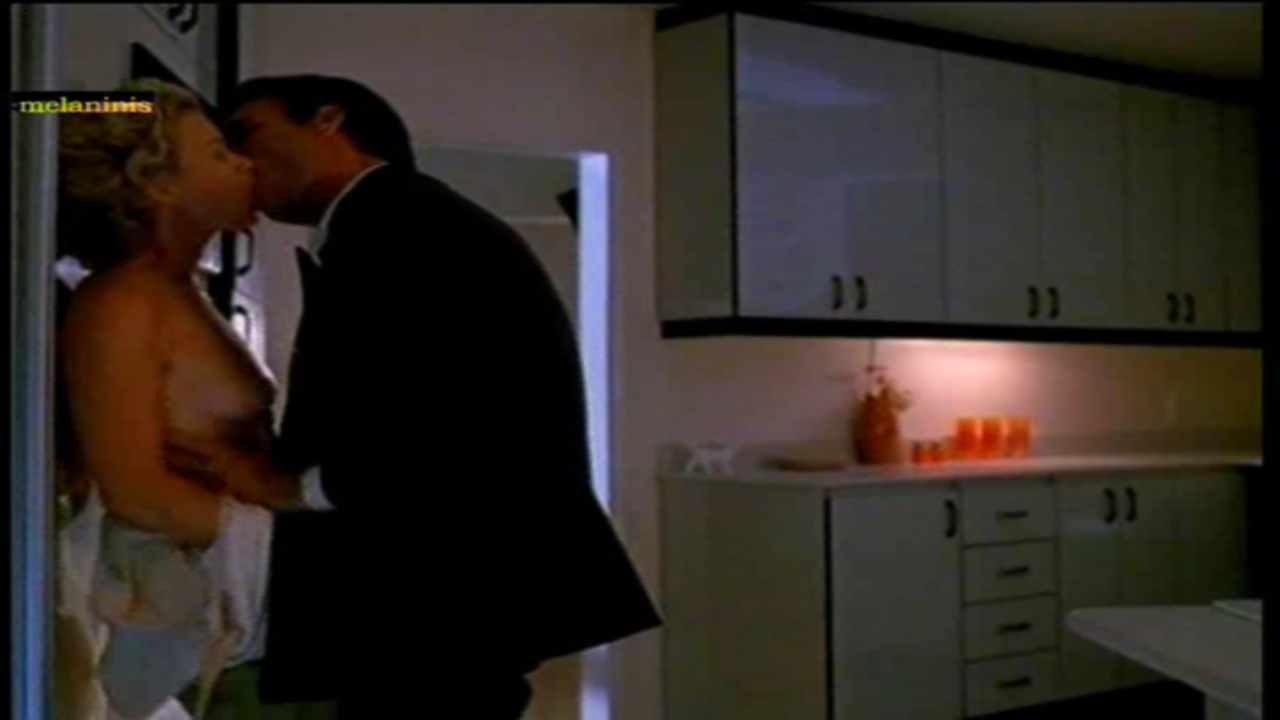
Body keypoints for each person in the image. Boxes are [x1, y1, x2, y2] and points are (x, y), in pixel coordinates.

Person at [213, 74, 663, 716]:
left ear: (328, 121)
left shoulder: (402, 225)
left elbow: (449, 420)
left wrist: (293, 487)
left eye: (245, 133)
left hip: (440, 593)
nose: (236, 159)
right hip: (447, 596)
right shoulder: (396, 220)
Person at [53, 77, 334, 720]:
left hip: (249, 613)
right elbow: (136, 492)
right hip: (214, 617)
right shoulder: (121, 304)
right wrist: (294, 556)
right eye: (217, 153)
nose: (244, 164)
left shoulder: (184, 290)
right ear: (159, 184)